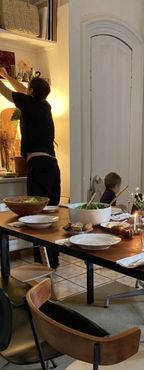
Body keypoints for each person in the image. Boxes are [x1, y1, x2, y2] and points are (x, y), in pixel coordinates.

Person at [0, 67, 60, 268]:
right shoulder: (45, 105)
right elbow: (23, 90)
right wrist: (8, 76)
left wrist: (2, 81)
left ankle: (42, 263)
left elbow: (8, 92)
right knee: (51, 214)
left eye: (28, 89)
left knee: (37, 216)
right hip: (52, 165)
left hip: (39, 166)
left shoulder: (29, 103)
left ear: (32, 92)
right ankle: (53, 260)